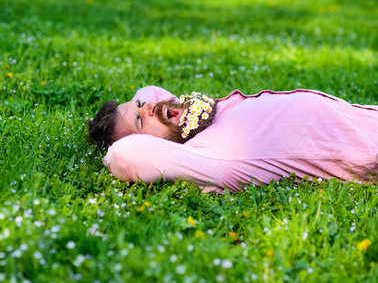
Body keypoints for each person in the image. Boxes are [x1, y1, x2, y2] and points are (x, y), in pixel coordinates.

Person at [88, 85, 378, 193]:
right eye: (141, 120)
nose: (149, 107)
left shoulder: (194, 119)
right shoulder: (207, 158)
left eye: (140, 105)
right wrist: (114, 142)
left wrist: (138, 113)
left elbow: (149, 91)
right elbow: (125, 154)